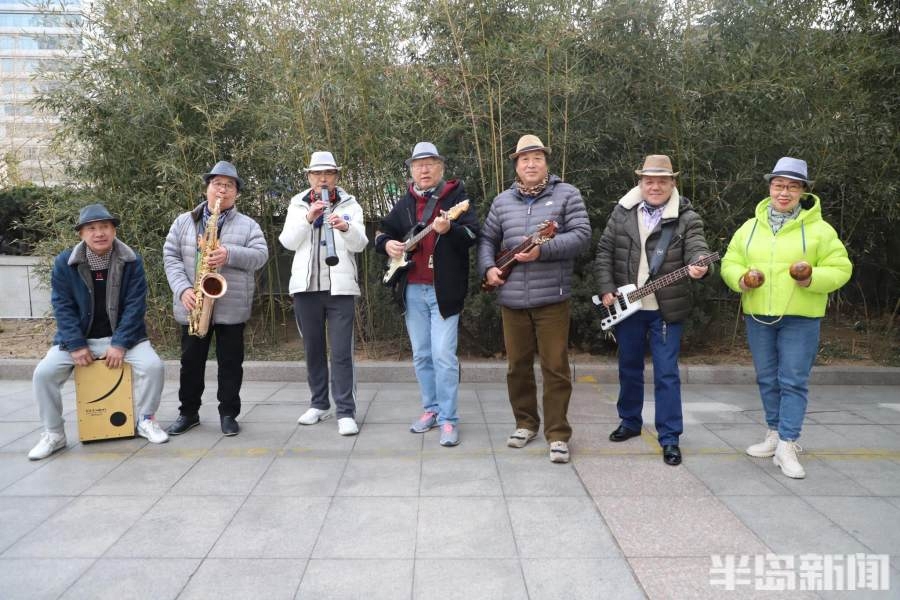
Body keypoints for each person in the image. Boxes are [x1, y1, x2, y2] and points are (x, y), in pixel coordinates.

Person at [721, 157, 851, 479]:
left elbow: (841, 268)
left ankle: (789, 444)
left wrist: (810, 279)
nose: (784, 192)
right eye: (779, 185)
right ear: (770, 188)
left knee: (793, 380)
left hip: (801, 317)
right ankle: (774, 434)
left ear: (803, 192)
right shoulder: (749, 228)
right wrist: (741, 279)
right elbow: (729, 262)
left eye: (792, 186)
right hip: (759, 315)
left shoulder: (821, 230)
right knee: (767, 378)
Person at [477, 134, 590, 463]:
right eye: (524, 159)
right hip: (511, 299)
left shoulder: (567, 195)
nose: (531, 164)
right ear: (516, 164)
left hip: (552, 298)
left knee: (556, 367)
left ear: (546, 163)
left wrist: (543, 250)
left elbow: (582, 236)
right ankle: (525, 423)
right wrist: (487, 269)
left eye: (537, 158)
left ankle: (557, 434)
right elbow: (487, 238)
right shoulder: (502, 202)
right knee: (517, 367)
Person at [594, 154, 711, 466]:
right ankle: (630, 421)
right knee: (628, 367)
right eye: (649, 180)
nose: (655, 186)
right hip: (628, 307)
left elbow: (698, 247)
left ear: (672, 183)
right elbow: (604, 251)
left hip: (665, 309)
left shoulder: (687, 218)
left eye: (662, 180)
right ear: (640, 182)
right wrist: (606, 288)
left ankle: (670, 437)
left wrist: (699, 265)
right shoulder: (622, 213)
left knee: (667, 373)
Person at [28, 203, 168, 460]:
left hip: (125, 337)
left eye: (104, 227)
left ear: (113, 230)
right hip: (79, 339)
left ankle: (146, 420)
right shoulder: (64, 263)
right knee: (44, 374)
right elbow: (62, 306)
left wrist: (121, 342)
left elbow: (136, 305)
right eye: (91, 228)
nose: (99, 233)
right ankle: (54, 434)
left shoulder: (131, 260)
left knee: (153, 367)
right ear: (81, 234)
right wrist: (76, 345)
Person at [374, 142, 479, 447]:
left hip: (444, 292)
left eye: (430, 163)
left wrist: (450, 230)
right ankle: (430, 410)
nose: (424, 169)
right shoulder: (405, 202)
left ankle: (449, 419)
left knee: (444, 355)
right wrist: (387, 245)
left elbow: (473, 235)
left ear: (440, 168)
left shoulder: (456, 198)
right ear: (411, 171)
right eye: (418, 164)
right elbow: (383, 233)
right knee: (422, 355)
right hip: (412, 290)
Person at [163, 160, 269, 437]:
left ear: (236, 193)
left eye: (229, 185)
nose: (222, 189)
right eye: (217, 184)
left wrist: (229, 254)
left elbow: (260, 256)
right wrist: (183, 289)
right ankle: (188, 413)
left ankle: (228, 414)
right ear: (207, 188)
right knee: (190, 362)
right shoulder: (183, 222)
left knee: (231, 363)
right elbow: (171, 257)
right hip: (193, 303)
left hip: (231, 305)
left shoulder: (248, 225)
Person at [279, 151, 368, 436]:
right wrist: (308, 218)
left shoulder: (350, 203)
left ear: (337, 176)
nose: (323, 178)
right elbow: (288, 242)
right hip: (305, 289)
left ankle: (345, 411)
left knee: (341, 352)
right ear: (309, 177)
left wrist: (345, 227)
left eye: (328, 173)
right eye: (317, 174)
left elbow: (360, 244)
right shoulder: (297, 203)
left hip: (340, 289)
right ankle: (319, 404)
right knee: (313, 349)